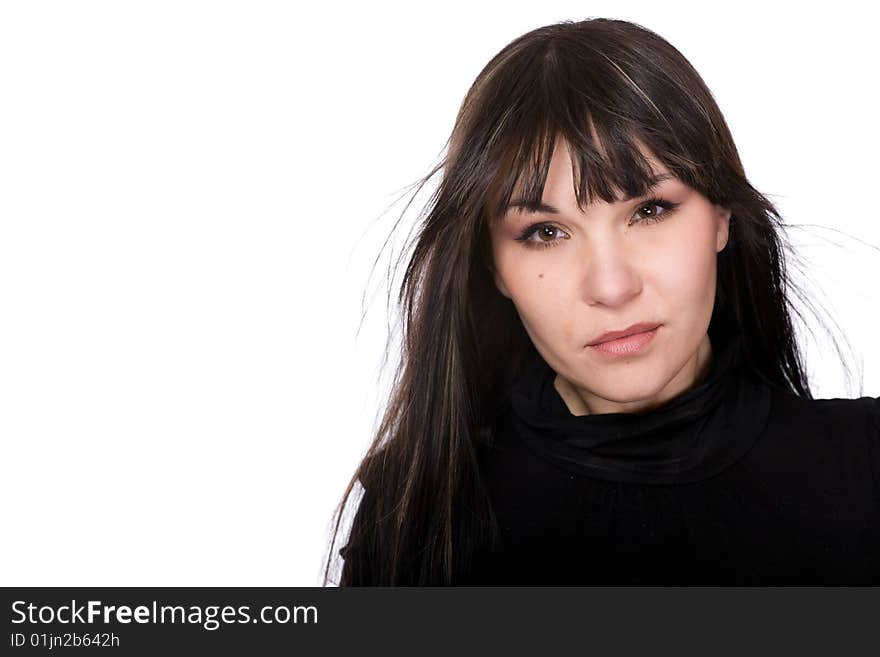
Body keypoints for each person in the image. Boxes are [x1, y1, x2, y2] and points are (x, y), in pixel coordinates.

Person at [323, 18, 880, 585]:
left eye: (649, 211)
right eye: (545, 232)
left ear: (721, 215)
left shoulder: (866, 470)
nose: (612, 288)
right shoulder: (412, 515)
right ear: (493, 266)